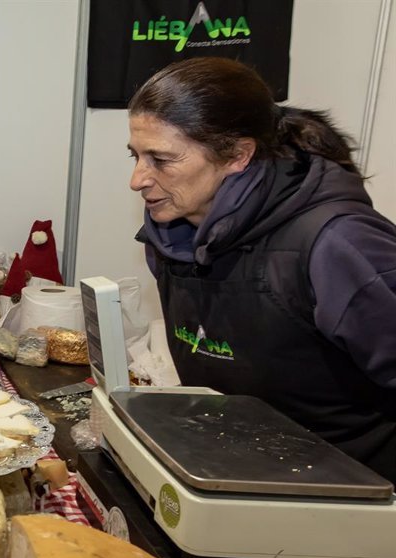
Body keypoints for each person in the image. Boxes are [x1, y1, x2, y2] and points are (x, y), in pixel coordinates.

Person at [127, 57, 396, 483]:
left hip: (350, 497)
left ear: (237, 155)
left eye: (161, 159)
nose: (138, 179)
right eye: (136, 155)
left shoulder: (339, 244)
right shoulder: (172, 238)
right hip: (238, 474)